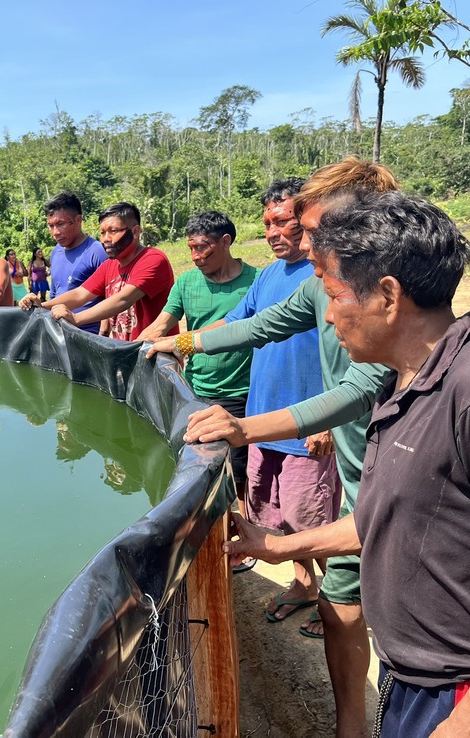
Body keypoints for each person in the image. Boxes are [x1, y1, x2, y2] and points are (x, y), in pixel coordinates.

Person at [227, 190, 470, 737]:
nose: (330, 315)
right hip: (414, 678)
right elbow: (390, 517)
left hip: (464, 693)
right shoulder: (404, 384)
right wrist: (280, 546)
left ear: (387, 294)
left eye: (335, 296)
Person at [148, 157, 397, 737]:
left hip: (380, 469)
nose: (300, 241)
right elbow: (259, 325)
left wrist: (245, 428)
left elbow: (359, 386)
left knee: (393, 611)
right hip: (362, 475)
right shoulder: (317, 286)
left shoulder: (384, 298)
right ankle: (352, 723)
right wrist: (177, 340)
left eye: (310, 228)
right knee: (344, 601)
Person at [227, 180, 338, 635]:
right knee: (280, 518)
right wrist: (179, 345)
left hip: (309, 425)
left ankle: (339, 601)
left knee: (317, 520)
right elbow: (238, 324)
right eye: (267, 223)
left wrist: (329, 421)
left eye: (283, 221)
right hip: (262, 422)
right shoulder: (269, 276)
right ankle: (304, 584)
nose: (272, 232)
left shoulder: (326, 275)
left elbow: (349, 359)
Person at [136, 209, 258, 520]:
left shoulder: (255, 281)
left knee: (239, 472)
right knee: (201, 468)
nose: (195, 256)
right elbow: (160, 326)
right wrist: (137, 347)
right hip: (195, 391)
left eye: (202, 247)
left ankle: (243, 530)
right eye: (190, 248)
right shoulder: (187, 282)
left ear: (226, 242)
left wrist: (179, 342)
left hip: (241, 392)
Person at [20, 202, 174, 341]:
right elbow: (80, 294)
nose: (106, 239)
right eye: (102, 233)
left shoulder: (152, 259)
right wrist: (41, 306)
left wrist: (75, 318)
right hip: (128, 352)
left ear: (135, 232)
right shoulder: (110, 265)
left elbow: (124, 299)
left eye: (113, 231)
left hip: (156, 359)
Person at [19, 192, 107, 333]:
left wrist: (103, 334)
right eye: (51, 226)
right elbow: (55, 294)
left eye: (60, 224)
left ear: (78, 220)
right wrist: (40, 305)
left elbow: (111, 298)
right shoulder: (56, 252)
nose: (55, 232)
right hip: (58, 332)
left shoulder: (97, 252)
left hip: (88, 334)